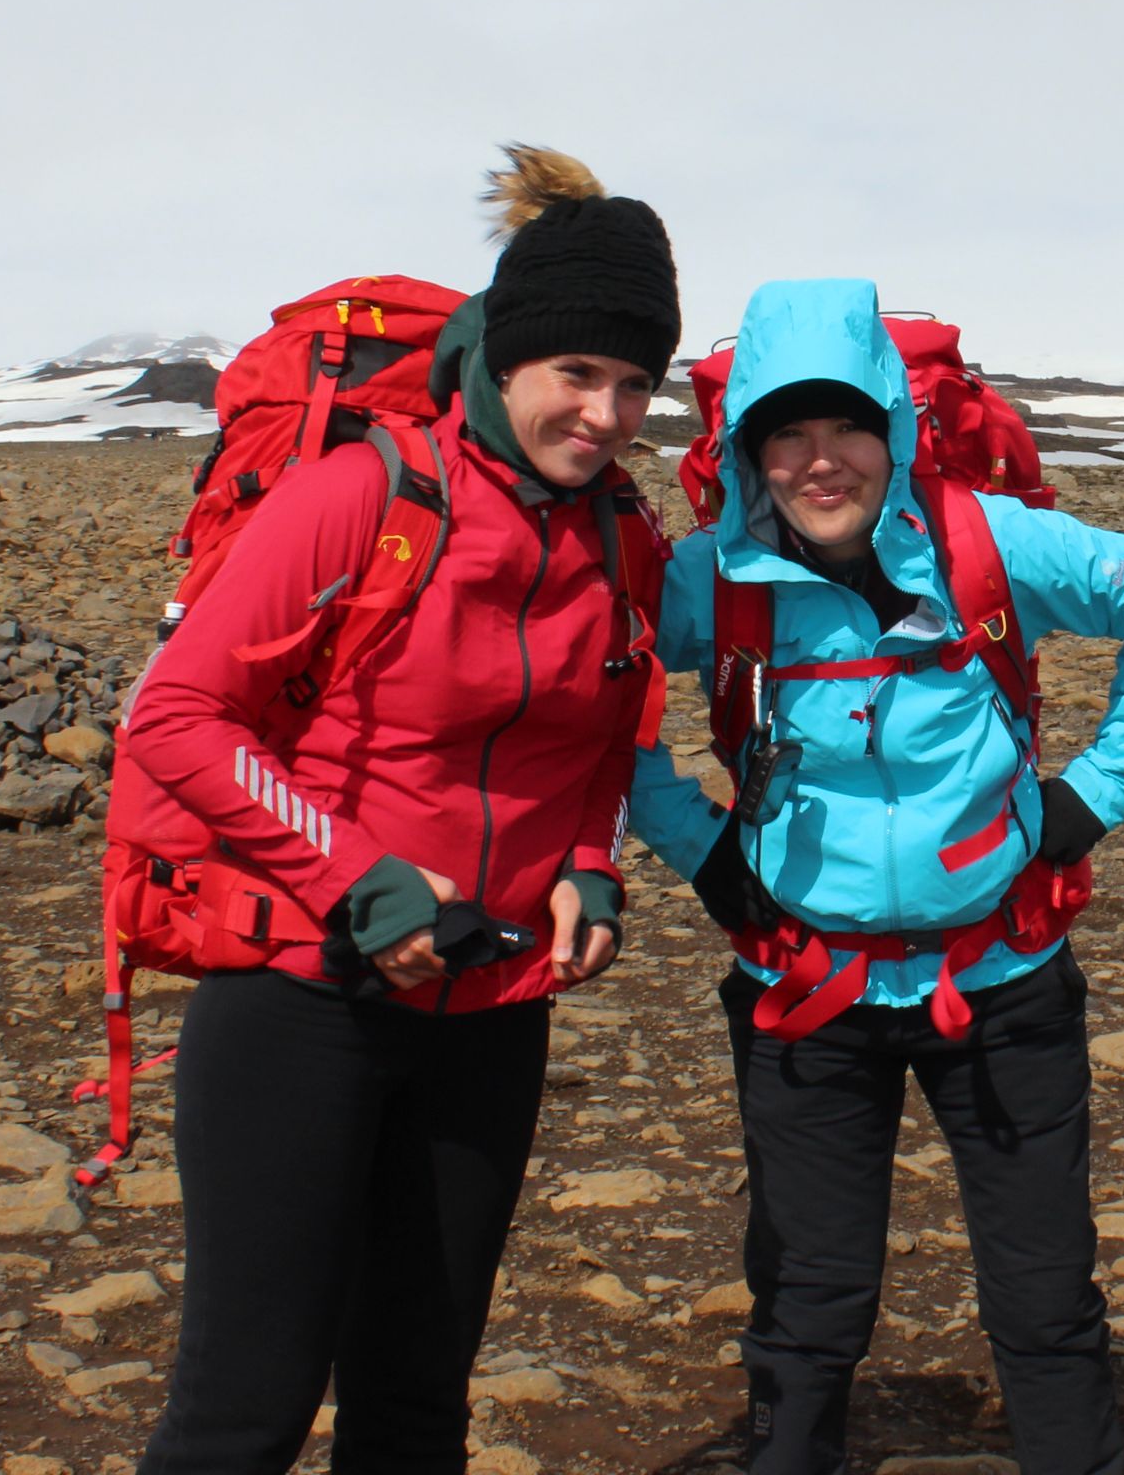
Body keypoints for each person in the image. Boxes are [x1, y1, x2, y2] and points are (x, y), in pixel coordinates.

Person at [124, 150, 681, 1475]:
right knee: (245, 1412)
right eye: (577, 372)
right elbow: (176, 714)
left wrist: (589, 863)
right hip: (302, 1000)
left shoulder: (621, 538)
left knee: (419, 1403)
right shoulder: (364, 493)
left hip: (490, 1011)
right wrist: (356, 876)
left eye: (634, 383)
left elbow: (609, 733)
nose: (605, 412)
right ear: (508, 353)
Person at [629, 277, 1124, 1475]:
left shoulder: (988, 543)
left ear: (895, 428)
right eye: (786, 434)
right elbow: (599, 687)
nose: (820, 460)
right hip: (803, 991)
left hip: (1005, 982)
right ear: (746, 450)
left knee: (1045, 1299)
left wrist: (1093, 796)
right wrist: (697, 845)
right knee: (807, 1303)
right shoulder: (709, 578)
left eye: (847, 425)